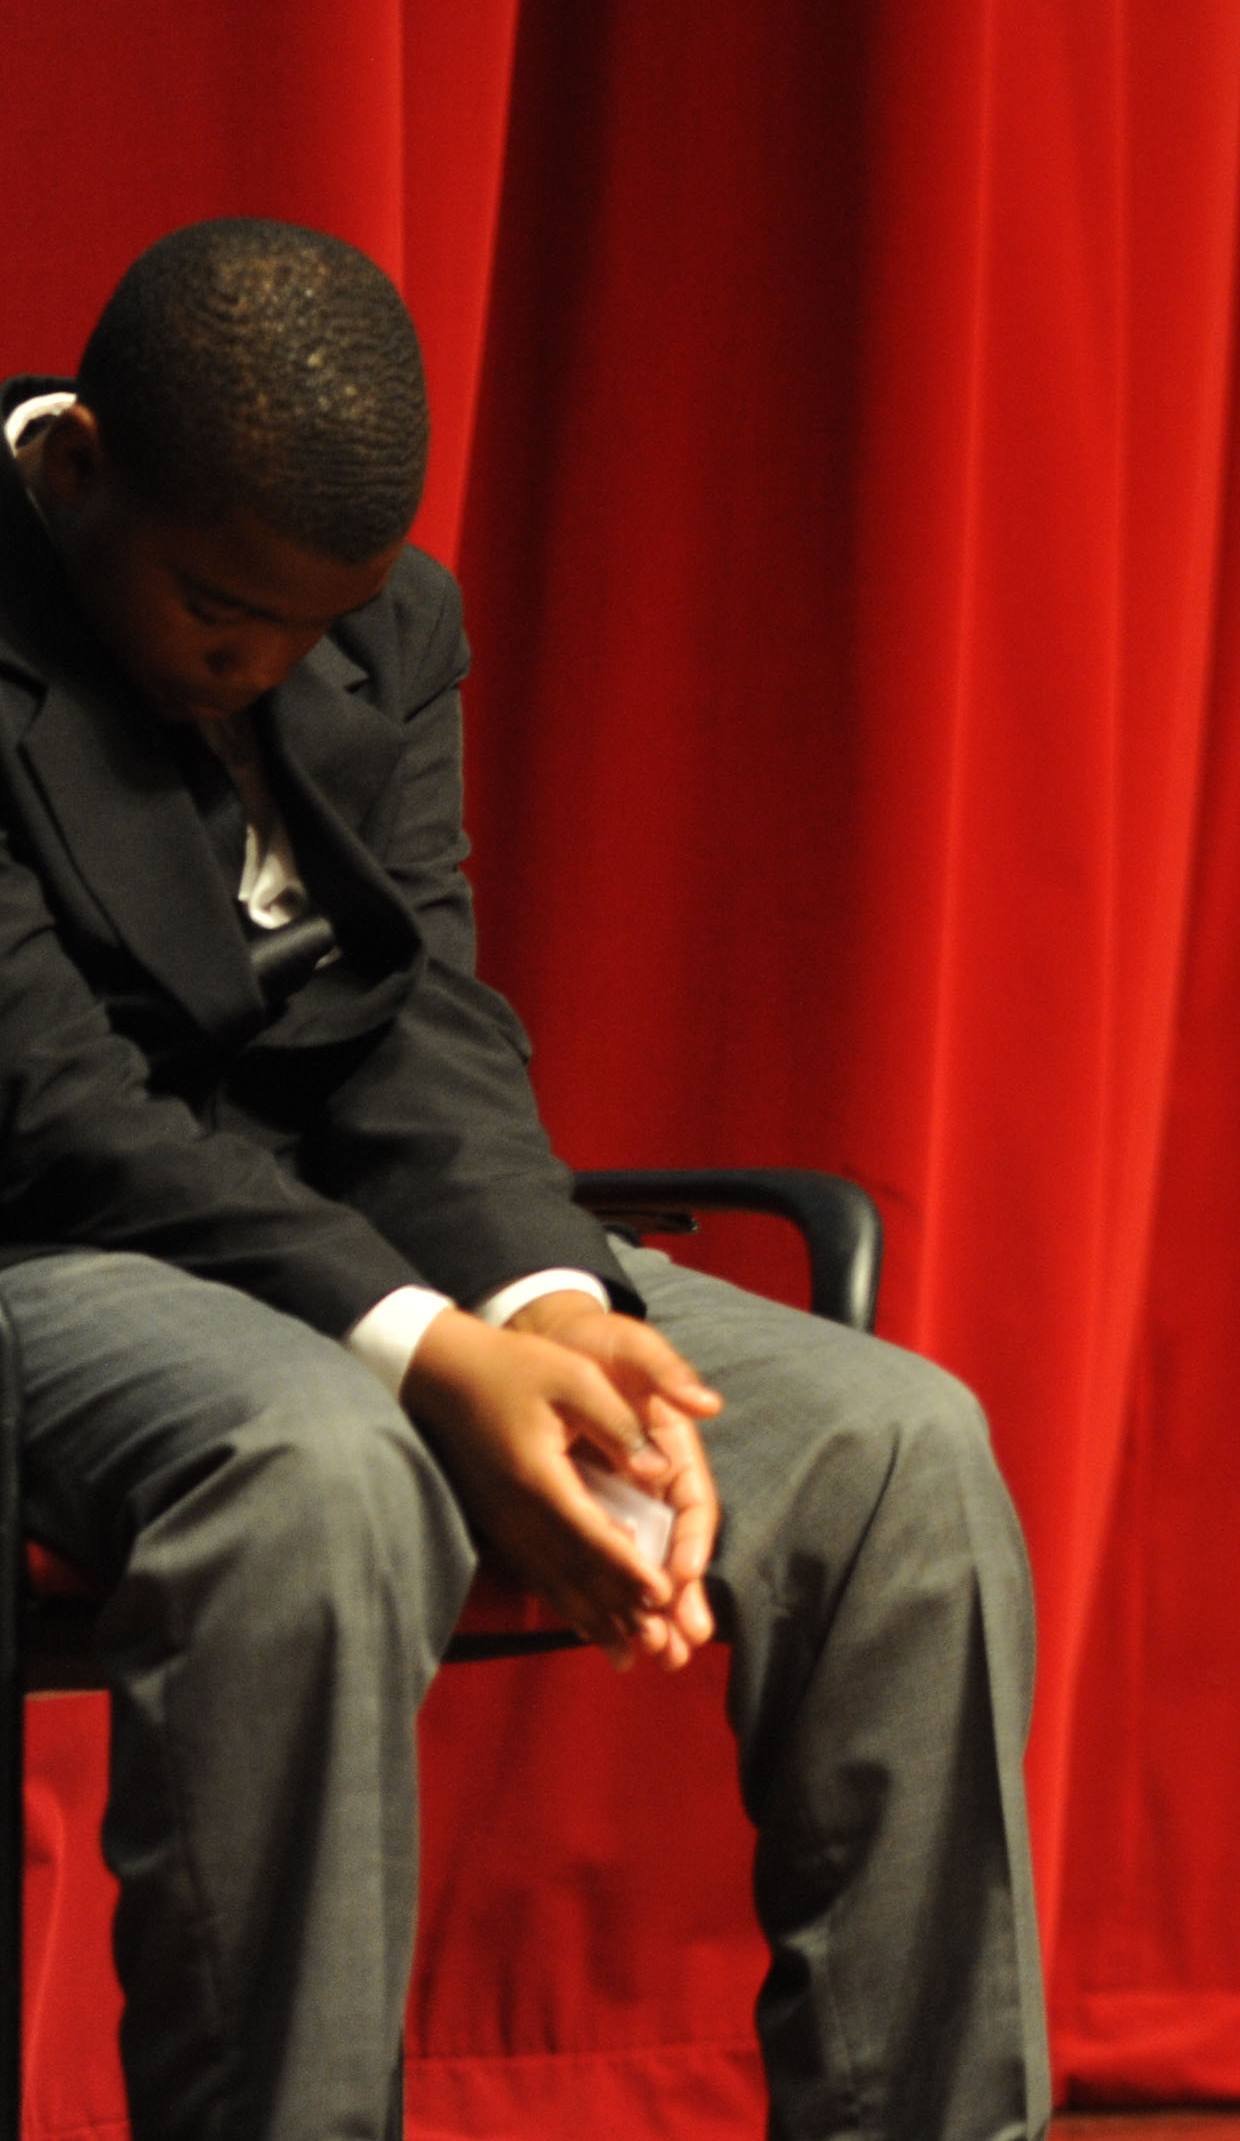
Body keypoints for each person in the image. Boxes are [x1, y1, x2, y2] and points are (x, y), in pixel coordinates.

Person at [0, 222, 1045, 2141]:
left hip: (349, 1227)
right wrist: (422, 1350)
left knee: (902, 1453)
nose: (273, 673)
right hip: (52, 1234)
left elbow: (422, 1023)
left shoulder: (376, 624)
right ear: (77, 476)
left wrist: (549, 1304)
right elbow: (47, 1096)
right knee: (316, 1469)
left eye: (319, 633)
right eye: (229, 619)